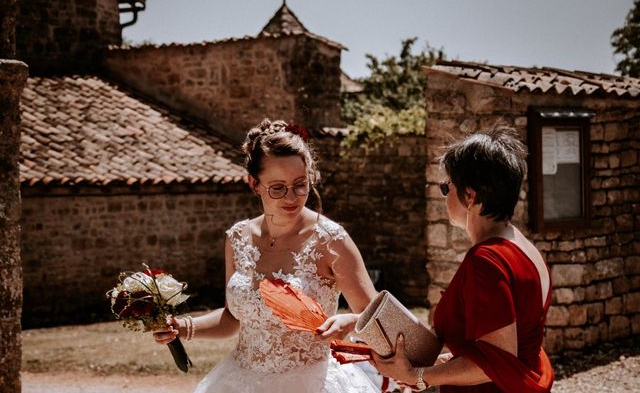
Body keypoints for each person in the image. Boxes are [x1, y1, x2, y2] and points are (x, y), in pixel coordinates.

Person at [153, 118, 380, 392]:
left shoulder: (330, 240)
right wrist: (182, 327)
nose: (291, 197)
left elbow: (379, 319)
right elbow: (232, 318)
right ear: (254, 183)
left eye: (300, 184)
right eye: (277, 187)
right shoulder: (237, 238)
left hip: (311, 382)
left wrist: (350, 321)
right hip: (240, 380)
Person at [372, 125, 554, 392]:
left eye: (447, 187)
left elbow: (493, 362)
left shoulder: (487, 261)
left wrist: (418, 376)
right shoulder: (524, 247)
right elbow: (498, 349)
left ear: (470, 195)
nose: (444, 196)